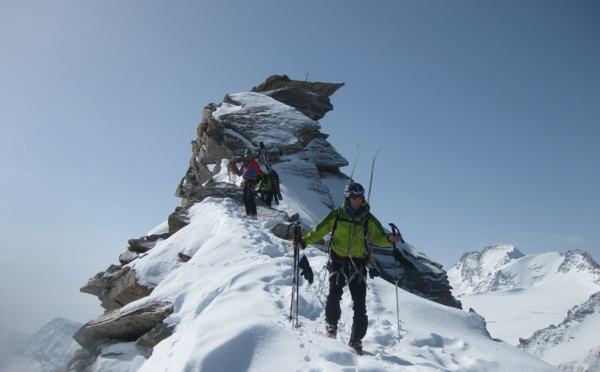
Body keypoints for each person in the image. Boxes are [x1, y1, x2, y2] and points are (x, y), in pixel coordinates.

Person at [294, 182, 400, 355]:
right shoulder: (336, 215)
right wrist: (304, 241)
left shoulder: (367, 218)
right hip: (338, 260)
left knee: (360, 303)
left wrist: (390, 239)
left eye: (360, 197)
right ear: (347, 198)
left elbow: (379, 237)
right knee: (334, 293)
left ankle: (356, 339)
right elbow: (319, 231)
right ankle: (332, 325)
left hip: (358, 263)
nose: (357, 201)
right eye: (354, 197)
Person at [237, 149, 263, 218]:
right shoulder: (244, 165)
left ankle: (254, 214)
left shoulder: (254, 164)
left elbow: (259, 173)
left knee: (250, 198)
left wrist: (256, 181)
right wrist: (234, 169)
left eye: (248, 156)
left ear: (251, 157)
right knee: (245, 197)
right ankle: (248, 213)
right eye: (246, 156)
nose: (247, 158)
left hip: (252, 182)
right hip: (246, 182)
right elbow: (239, 174)